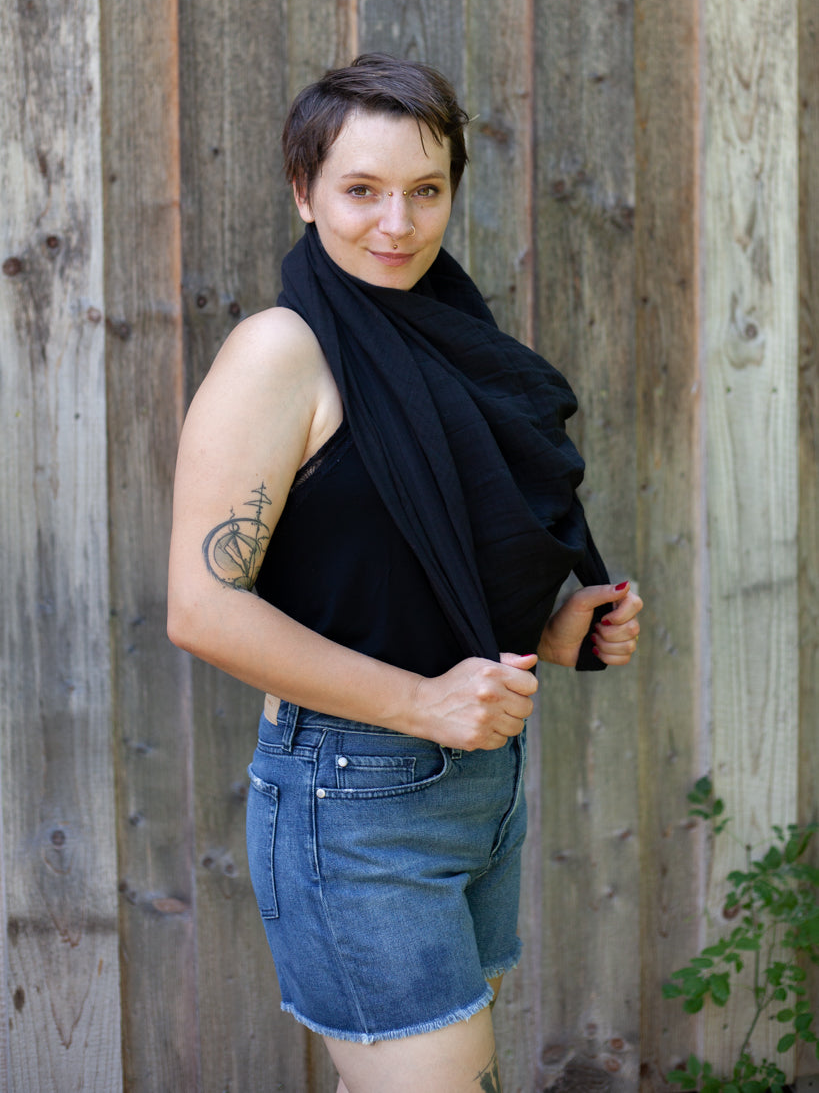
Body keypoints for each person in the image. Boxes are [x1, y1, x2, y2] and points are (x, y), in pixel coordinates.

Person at [167, 54, 642, 1093]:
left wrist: (551, 627)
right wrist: (425, 702)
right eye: (361, 190)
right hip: (353, 794)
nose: (397, 223)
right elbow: (201, 609)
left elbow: (400, 566)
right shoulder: (280, 352)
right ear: (304, 192)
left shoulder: (443, 335)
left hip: (475, 786)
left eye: (426, 190)